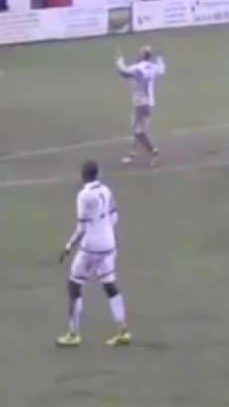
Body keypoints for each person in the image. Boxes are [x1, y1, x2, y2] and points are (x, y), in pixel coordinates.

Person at [57, 159, 130, 347]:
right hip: (109, 243)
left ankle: (73, 333)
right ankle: (123, 330)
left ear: (83, 175)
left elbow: (81, 227)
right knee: (109, 284)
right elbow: (114, 217)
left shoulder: (84, 195)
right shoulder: (106, 190)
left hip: (91, 246)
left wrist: (68, 246)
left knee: (74, 284)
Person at [116, 46, 166, 166]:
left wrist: (119, 58)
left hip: (140, 102)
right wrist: (160, 58)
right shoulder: (153, 67)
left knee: (138, 131)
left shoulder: (138, 67)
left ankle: (154, 152)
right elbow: (162, 70)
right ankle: (132, 154)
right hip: (149, 103)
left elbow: (123, 72)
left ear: (143, 55)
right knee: (137, 128)